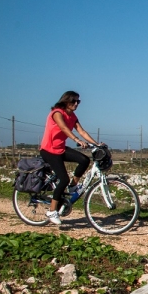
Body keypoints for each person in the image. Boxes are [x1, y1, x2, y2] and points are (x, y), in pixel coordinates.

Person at [39, 91, 101, 226]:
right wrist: (76, 140)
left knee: (84, 160)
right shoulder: (57, 113)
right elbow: (63, 127)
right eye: (74, 101)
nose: (76, 104)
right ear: (66, 101)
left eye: (78, 102)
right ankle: (52, 211)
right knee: (63, 179)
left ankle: (73, 186)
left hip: (60, 149)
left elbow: (82, 131)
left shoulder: (73, 116)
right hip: (49, 150)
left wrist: (97, 144)